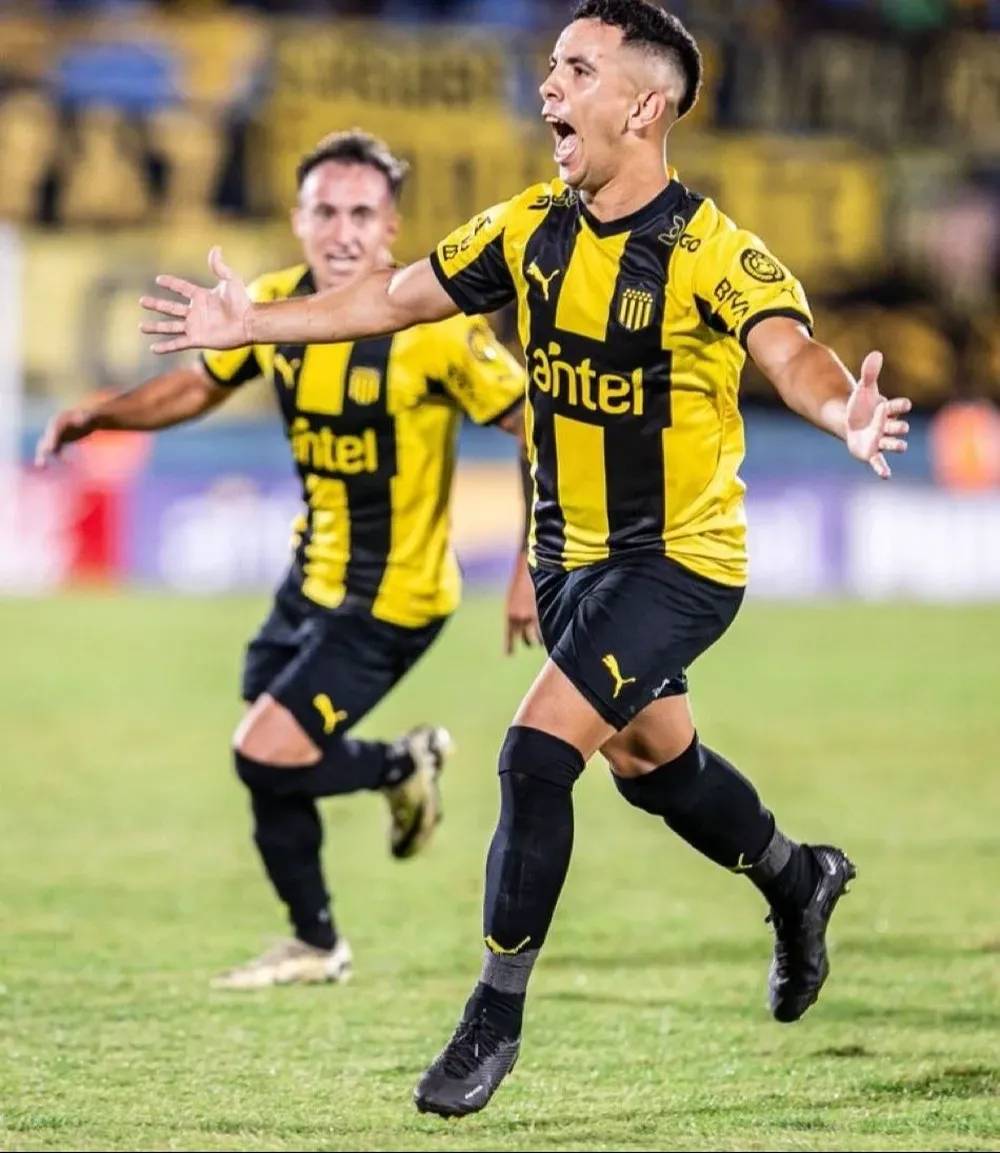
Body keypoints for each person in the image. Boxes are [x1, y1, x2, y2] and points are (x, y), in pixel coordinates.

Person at [137, 0, 913, 1116]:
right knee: (654, 766)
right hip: (566, 563)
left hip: (677, 562)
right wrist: (251, 322)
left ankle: (490, 1017)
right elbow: (390, 297)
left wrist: (845, 411)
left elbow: (791, 353)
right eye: (551, 65)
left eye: (577, 69)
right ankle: (799, 877)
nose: (548, 86)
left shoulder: (709, 251)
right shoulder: (528, 226)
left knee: (535, 751)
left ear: (643, 108)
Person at [38, 128, 535, 992]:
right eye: (324, 211)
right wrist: (101, 415)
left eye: (362, 214)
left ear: (391, 228)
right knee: (271, 755)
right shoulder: (268, 307)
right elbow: (200, 386)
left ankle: (400, 764)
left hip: (397, 594)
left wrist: (532, 562)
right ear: (299, 220)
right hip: (311, 578)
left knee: (263, 751)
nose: (342, 231)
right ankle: (315, 942)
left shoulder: (435, 331)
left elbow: (537, 427)